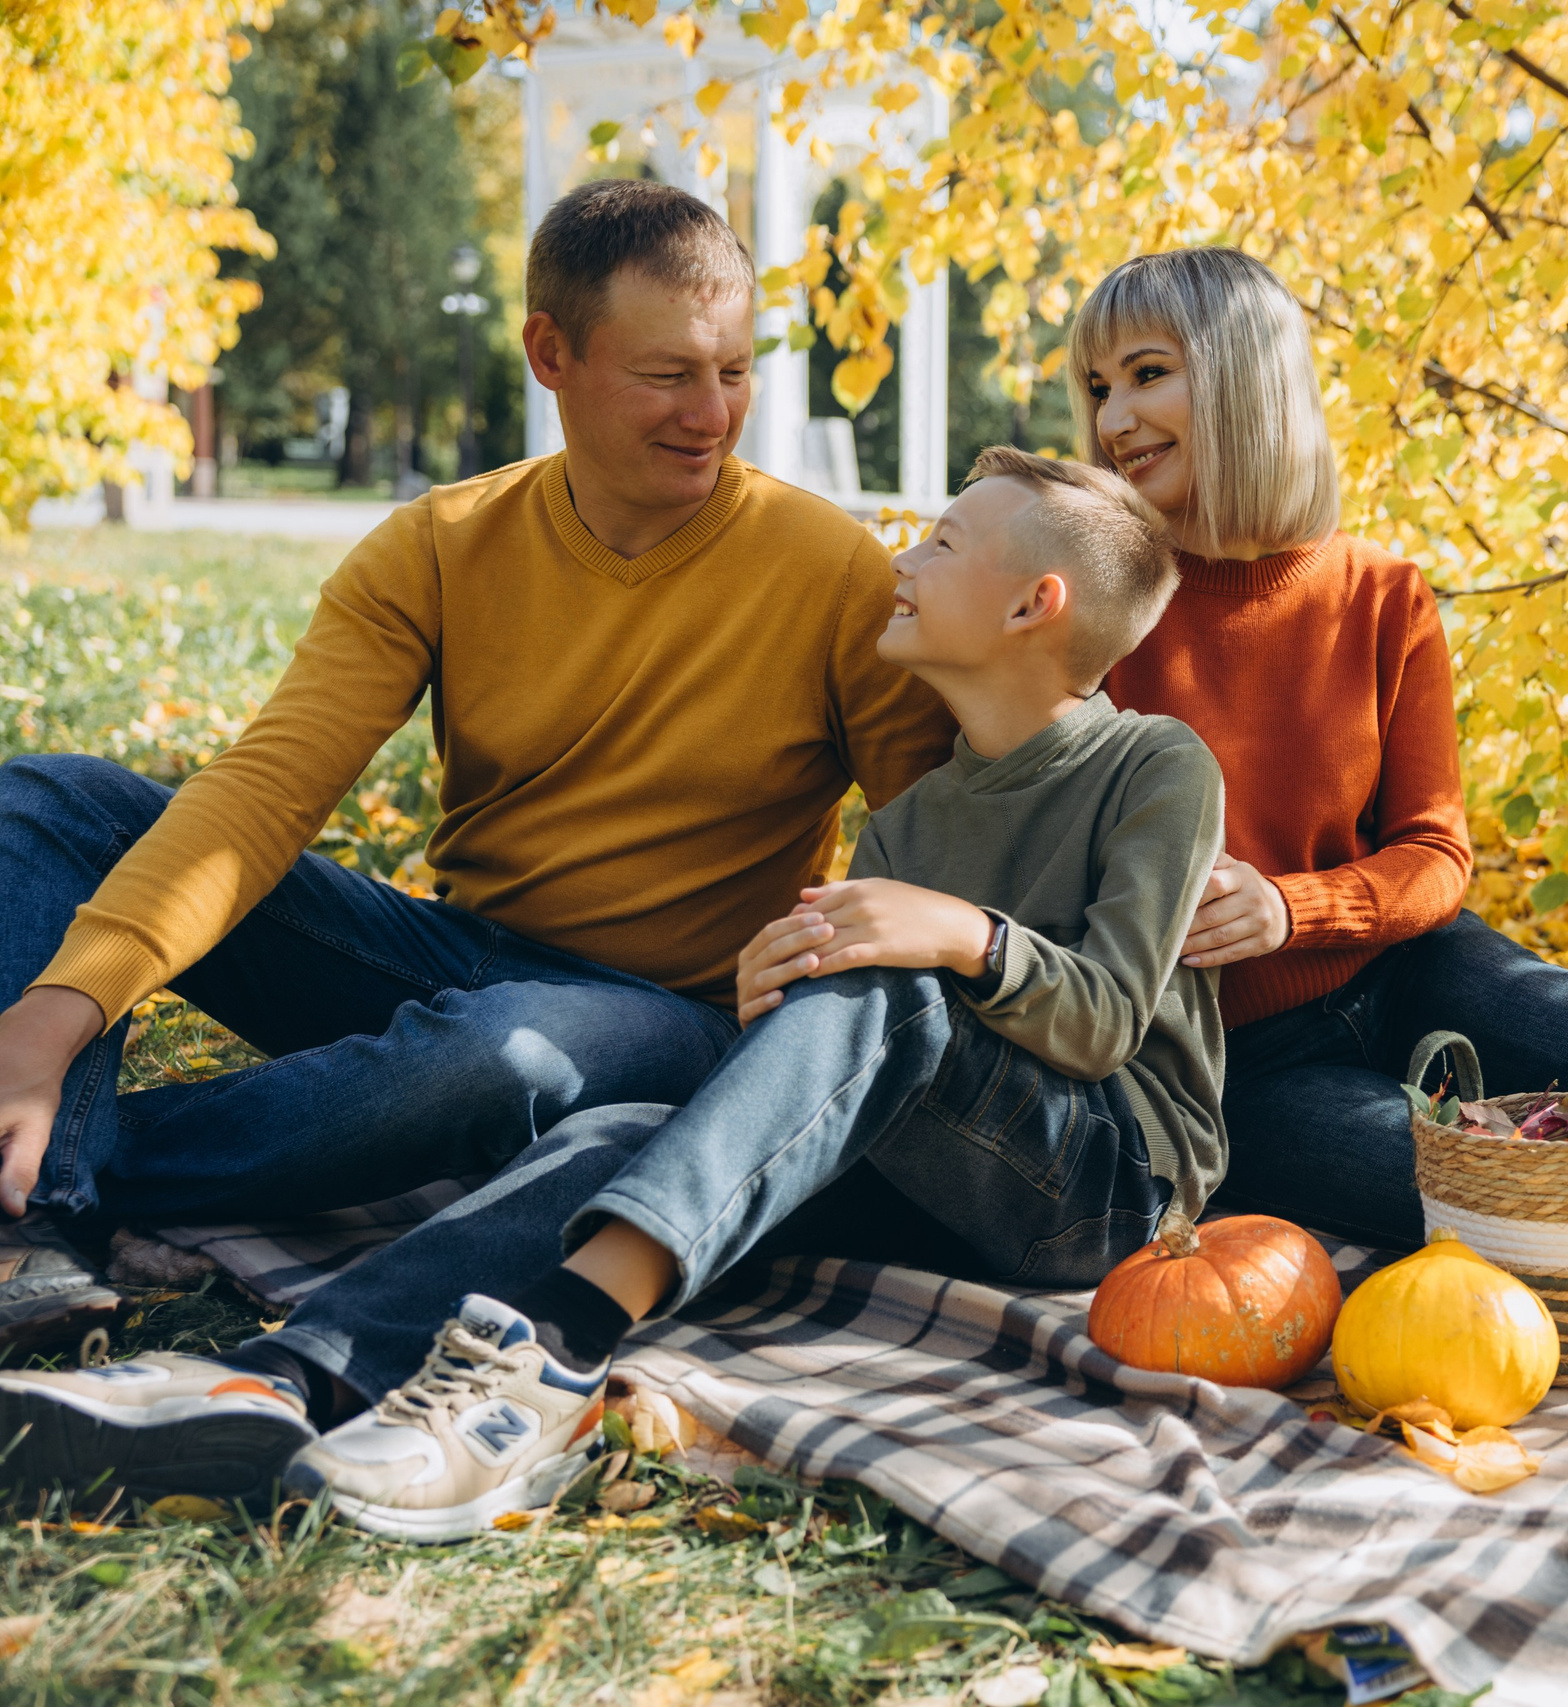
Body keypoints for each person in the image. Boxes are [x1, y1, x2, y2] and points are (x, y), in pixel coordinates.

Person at [1, 450, 1225, 1534]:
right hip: (928, 1180)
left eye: (942, 541)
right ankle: (284, 1378)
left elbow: (1105, 1017)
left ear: (1031, 602)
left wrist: (959, 936)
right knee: (632, 1139)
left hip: (1108, 1190)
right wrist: (778, 988)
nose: (903, 556)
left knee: (889, 984)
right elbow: (843, 1069)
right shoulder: (909, 818)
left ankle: (556, 1351)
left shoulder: (1152, 763)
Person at [0, 177, 952, 1362]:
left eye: (733, 369)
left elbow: (938, 851)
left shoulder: (835, 574)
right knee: (45, 803)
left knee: (506, 1046)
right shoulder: (442, 544)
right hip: (453, 956)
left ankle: (59, 1178)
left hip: (673, 1022)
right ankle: (35, 1175)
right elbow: (265, 794)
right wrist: (57, 1013)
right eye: (666, 374)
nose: (711, 413)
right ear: (550, 353)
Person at [1074, 248, 1568, 1247]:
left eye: (1148, 373)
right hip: (1229, 1056)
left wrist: (1288, 908)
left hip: (1407, 968)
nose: (1113, 419)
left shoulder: (1381, 596)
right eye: (1097, 385)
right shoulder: (1093, 617)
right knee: (1478, 1194)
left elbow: (1434, 855)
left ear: (1247, 378)